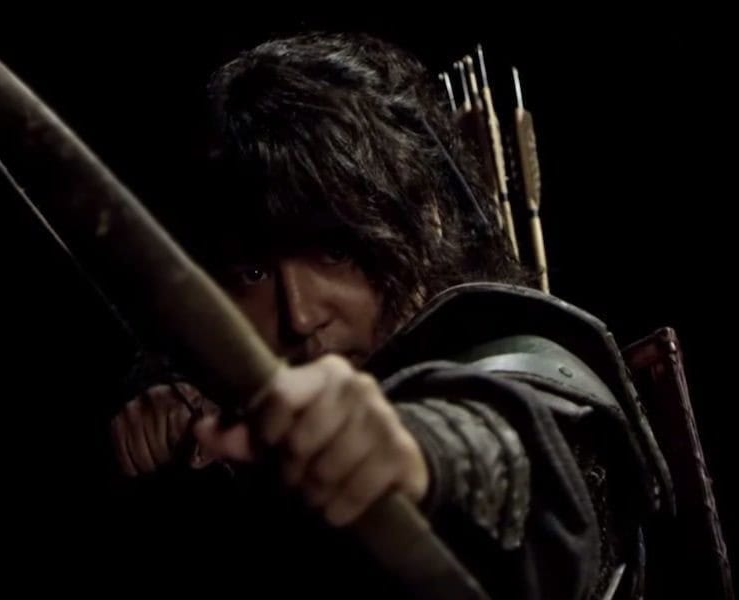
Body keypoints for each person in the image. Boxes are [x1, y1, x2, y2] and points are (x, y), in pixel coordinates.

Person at [109, 32, 667, 599]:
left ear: (425, 223)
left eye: (335, 251)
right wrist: (170, 390)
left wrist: (411, 451)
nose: (299, 316)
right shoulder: (237, 395)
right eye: (254, 271)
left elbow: (515, 452)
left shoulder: (523, 365)